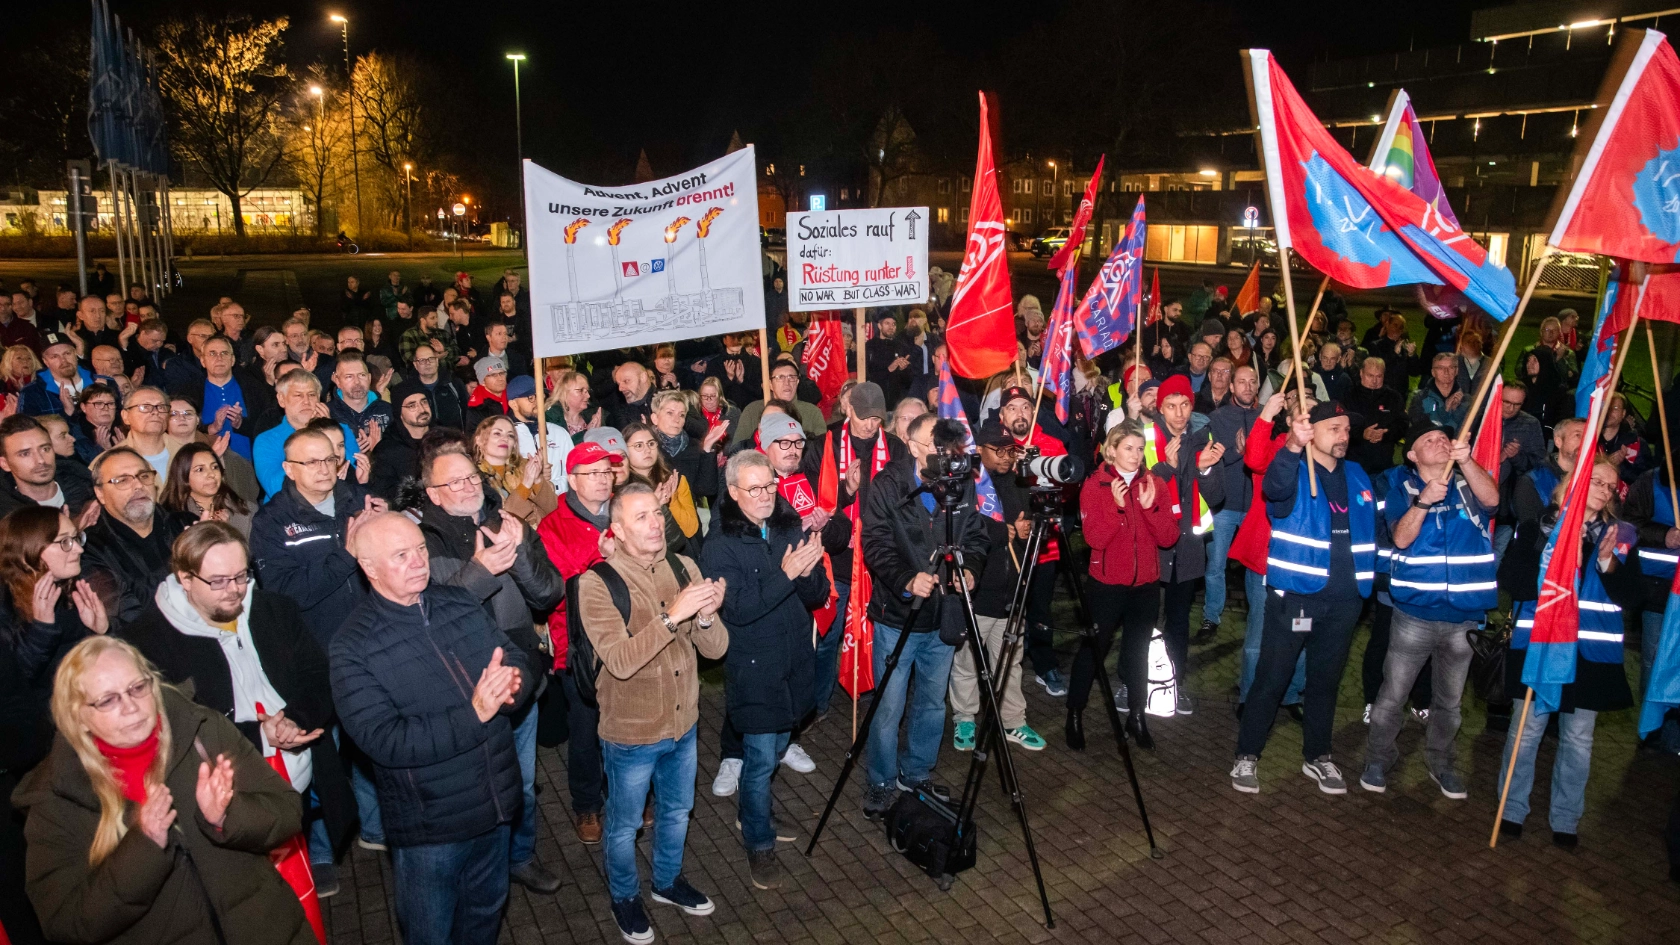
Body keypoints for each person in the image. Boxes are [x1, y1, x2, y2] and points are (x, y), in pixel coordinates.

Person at [16, 635, 314, 944]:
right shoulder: (57, 796)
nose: (131, 707)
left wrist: (226, 816)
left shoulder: (201, 729)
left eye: (138, 687)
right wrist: (144, 847)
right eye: (108, 700)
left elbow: (288, 811)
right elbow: (66, 925)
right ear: (78, 717)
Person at [117, 522, 353, 893]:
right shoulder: (146, 642)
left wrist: (295, 718)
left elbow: (318, 674)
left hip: (298, 779)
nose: (236, 591)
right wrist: (260, 736)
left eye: (242, 576)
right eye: (219, 581)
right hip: (227, 801)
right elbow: (174, 730)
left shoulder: (274, 609)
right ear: (185, 578)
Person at [332, 509, 532, 945]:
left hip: (495, 804)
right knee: (429, 931)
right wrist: (475, 712)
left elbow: (510, 655)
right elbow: (385, 742)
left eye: (420, 549)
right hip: (431, 828)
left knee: (485, 913)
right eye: (401, 555)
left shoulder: (457, 600)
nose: (419, 561)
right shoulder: (352, 647)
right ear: (368, 567)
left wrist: (512, 682)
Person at [578, 483, 728, 943]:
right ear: (617, 530)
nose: (655, 523)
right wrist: (672, 616)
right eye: (641, 517)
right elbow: (620, 661)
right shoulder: (597, 583)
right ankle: (624, 896)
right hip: (631, 733)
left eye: (657, 513)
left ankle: (666, 883)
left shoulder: (684, 566)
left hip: (683, 724)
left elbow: (717, 648)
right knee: (623, 826)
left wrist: (704, 617)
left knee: (678, 810)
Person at [416, 446, 566, 896]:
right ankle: (474, 869)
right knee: (466, 789)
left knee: (520, 783)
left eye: (471, 478)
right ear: (433, 495)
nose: (466, 488)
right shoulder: (422, 541)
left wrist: (516, 552)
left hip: (519, 678)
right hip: (456, 685)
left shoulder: (510, 524)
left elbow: (549, 593)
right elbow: (430, 614)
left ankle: (520, 857)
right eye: (453, 482)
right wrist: (480, 570)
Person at [1232, 400, 1377, 795]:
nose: (1344, 436)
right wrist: (1292, 447)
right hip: (1298, 596)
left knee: (1325, 683)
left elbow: (1376, 524)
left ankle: (1319, 757)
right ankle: (1247, 755)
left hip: (1347, 603)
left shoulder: (1359, 474)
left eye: (1347, 429)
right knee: (1272, 679)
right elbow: (1273, 491)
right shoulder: (1292, 468)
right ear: (1311, 432)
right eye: (1335, 428)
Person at [699, 450, 829, 889]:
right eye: (754, 489)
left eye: (770, 486)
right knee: (757, 762)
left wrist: (809, 569)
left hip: (793, 662)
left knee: (774, 752)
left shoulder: (788, 524)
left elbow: (815, 595)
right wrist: (787, 573)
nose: (765, 496)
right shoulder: (719, 545)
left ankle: (757, 813)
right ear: (733, 493)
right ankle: (758, 841)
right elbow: (738, 610)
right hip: (754, 668)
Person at [1498, 460, 1640, 850]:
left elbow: (1633, 596)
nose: (1604, 489)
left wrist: (1609, 563)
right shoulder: (1537, 527)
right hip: (1541, 644)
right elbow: (1513, 582)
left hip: (1590, 652)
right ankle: (1511, 809)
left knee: (1578, 739)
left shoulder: (1621, 535)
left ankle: (1565, 817)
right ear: (1573, 482)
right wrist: (1556, 555)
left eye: (1611, 486)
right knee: (1526, 732)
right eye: (1596, 481)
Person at [1359, 421, 1499, 798]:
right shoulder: (1398, 486)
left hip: (1465, 616)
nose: (1439, 442)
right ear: (1412, 455)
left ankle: (1441, 764)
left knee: (1449, 703)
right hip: (1415, 612)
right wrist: (1424, 500)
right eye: (1428, 440)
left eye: (1443, 438)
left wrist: (1467, 462)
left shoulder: (1470, 481)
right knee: (1393, 695)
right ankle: (1378, 759)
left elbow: (1494, 501)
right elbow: (1401, 537)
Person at [859, 415, 989, 818]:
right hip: (898, 615)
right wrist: (905, 579)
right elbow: (875, 542)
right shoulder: (887, 485)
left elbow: (976, 536)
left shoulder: (962, 482)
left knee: (932, 702)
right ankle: (880, 780)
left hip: (943, 614)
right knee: (888, 705)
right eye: (934, 443)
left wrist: (970, 569)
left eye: (947, 443)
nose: (944, 451)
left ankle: (915, 773)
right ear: (911, 445)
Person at [535, 442, 624, 846]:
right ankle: (586, 802)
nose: (604, 479)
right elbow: (558, 586)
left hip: (627, 638)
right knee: (586, 728)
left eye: (608, 471)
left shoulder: (624, 514)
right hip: (579, 645)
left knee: (627, 723)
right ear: (572, 480)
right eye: (594, 472)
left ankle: (628, 794)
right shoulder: (552, 526)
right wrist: (605, 558)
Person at [954, 421, 1047, 751]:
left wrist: (1029, 529)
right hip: (979, 592)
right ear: (979, 449)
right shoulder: (970, 483)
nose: (1007, 457)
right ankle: (965, 719)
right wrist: (997, 532)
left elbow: (1039, 523)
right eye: (999, 450)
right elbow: (960, 526)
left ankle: (1013, 722)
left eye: (1011, 450)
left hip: (1013, 590)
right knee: (966, 663)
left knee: (1010, 662)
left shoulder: (1021, 481)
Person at [1148, 374, 1225, 711]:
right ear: (1160, 408)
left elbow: (1218, 495)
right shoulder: (1146, 437)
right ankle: (1134, 683)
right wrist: (1166, 465)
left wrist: (1206, 470)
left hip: (1188, 546)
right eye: (1171, 406)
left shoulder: (1202, 439)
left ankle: (1174, 685)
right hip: (1151, 545)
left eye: (1184, 405)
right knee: (1144, 620)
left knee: (1179, 620)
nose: (1179, 413)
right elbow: (1141, 493)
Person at [81, 447, 185, 627]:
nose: (138, 486)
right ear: (100, 494)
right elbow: (127, 620)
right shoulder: (91, 550)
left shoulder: (184, 524)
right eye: (122, 480)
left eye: (144, 476)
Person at [1202, 364, 1261, 642]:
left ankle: (1257, 617)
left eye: (1253, 381)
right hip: (1224, 506)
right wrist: (1238, 451)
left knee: (1254, 567)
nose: (1248, 386)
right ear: (1233, 387)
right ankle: (1211, 616)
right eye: (1242, 382)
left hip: (1256, 508)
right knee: (1215, 565)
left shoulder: (1266, 419)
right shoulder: (1217, 418)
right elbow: (1213, 458)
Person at [251, 369, 360, 501]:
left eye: (312, 395)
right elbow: (275, 488)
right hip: (287, 514)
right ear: (281, 399)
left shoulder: (341, 431)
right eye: (298, 395)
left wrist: (326, 433)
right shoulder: (266, 440)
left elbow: (356, 475)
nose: (306, 401)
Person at [0, 414, 95, 519]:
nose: (41, 460)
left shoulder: (89, 492)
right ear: (5, 464)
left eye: (45, 449)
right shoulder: (6, 516)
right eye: (25, 454)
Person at [624, 421, 699, 552]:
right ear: (624, 450)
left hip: (681, 554)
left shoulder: (675, 479)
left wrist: (672, 501)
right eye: (639, 445)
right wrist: (655, 505)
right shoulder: (623, 489)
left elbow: (690, 530)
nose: (647, 450)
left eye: (651, 444)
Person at [473, 415, 557, 529]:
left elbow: (554, 511)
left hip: (540, 538)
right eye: (497, 433)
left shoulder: (526, 468)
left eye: (510, 435)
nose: (505, 438)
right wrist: (526, 484)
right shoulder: (474, 478)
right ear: (479, 440)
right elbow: (503, 520)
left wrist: (538, 480)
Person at [160, 442, 253, 536]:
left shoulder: (246, 509)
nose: (212, 474)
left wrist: (228, 531)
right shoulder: (171, 519)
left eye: (215, 467)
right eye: (200, 469)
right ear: (183, 476)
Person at [731, 360, 826, 444]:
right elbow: (737, 449)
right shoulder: (753, 410)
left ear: (797, 382)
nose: (787, 383)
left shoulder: (812, 412)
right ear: (770, 385)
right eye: (780, 378)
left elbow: (822, 449)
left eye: (791, 377)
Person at [369, 380, 433, 501]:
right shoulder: (387, 450)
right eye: (412, 405)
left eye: (424, 402)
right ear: (400, 413)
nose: (421, 409)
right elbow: (385, 496)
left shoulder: (445, 438)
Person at [21, 331, 107, 418]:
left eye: (67, 353)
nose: (63, 360)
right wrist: (67, 412)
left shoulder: (103, 383)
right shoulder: (32, 393)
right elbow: (28, 429)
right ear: (46, 361)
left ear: (75, 353)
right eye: (54, 357)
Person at [1347, 356, 1407, 474]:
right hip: (1354, 463)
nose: (1374, 381)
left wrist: (1386, 434)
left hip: (1383, 463)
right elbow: (1341, 425)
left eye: (1378, 376)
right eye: (1370, 376)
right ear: (1361, 373)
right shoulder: (1349, 395)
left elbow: (1403, 424)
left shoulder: (1393, 397)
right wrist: (1362, 434)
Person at [326, 351, 392, 445]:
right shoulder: (327, 414)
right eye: (349, 377)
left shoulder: (388, 410)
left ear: (369, 378)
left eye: (362, 375)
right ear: (337, 381)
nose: (357, 382)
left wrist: (377, 451)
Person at [409, 343, 470, 432]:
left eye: (431, 359)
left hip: (454, 440)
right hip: (422, 442)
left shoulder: (454, 384)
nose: (428, 363)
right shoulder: (408, 390)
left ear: (437, 361)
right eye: (422, 360)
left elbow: (467, 412)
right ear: (415, 364)